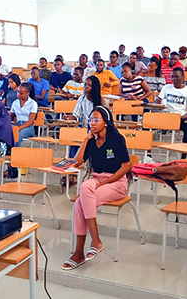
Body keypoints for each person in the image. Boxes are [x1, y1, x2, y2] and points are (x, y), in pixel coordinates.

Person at [61, 106, 132, 270]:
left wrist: (104, 184)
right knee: (84, 190)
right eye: (90, 119)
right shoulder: (92, 141)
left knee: (80, 202)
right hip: (96, 179)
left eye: (96, 120)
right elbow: (77, 161)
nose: (92, 123)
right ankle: (95, 241)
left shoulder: (116, 139)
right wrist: (85, 140)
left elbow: (126, 166)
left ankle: (81, 251)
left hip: (116, 182)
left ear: (105, 122)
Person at [156, 68, 187, 158]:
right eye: (172, 77)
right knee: (146, 123)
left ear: (183, 77)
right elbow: (158, 101)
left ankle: (183, 156)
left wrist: (179, 118)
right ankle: (149, 154)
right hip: (166, 116)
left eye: (177, 76)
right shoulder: (166, 87)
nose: (174, 79)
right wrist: (158, 101)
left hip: (180, 118)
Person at [9, 83, 37, 147]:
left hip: (28, 127)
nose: (18, 95)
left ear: (27, 93)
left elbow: (31, 121)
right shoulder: (15, 103)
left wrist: (19, 128)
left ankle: (16, 153)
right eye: (18, 92)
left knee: (18, 135)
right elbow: (11, 116)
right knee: (6, 134)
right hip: (17, 124)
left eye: (21, 93)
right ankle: (9, 151)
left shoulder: (33, 103)